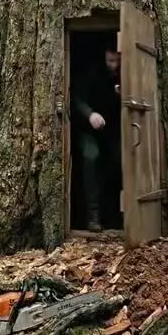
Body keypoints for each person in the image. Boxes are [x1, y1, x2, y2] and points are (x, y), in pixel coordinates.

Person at [73, 48, 122, 231]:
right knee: (91, 157)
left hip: (110, 129)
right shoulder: (90, 72)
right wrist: (89, 114)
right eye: (110, 61)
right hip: (86, 129)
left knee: (119, 160)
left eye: (117, 61)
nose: (114, 65)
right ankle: (92, 217)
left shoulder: (120, 75)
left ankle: (115, 216)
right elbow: (75, 98)